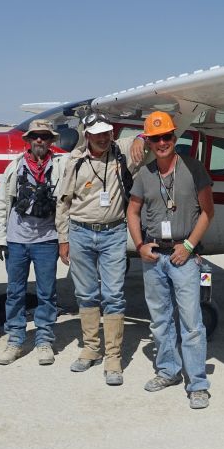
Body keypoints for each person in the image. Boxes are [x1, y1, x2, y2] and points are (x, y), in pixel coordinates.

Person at [127, 111, 215, 409]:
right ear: (149, 143)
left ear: (174, 138)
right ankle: (168, 371)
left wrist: (189, 246)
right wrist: (139, 245)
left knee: (191, 323)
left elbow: (208, 212)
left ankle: (198, 383)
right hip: (154, 257)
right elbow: (133, 211)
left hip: (183, 256)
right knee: (160, 321)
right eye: (156, 138)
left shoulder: (193, 169)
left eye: (167, 136)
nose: (162, 142)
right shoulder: (144, 175)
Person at [55, 111, 144, 386]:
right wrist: (63, 238)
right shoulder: (75, 161)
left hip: (113, 232)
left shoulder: (122, 151)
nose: (103, 138)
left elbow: (153, 135)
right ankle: (91, 348)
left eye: (107, 133)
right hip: (80, 232)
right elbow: (63, 201)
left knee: (114, 295)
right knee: (86, 293)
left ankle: (113, 358)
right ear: (87, 136)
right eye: (97, 134)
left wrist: (141, 136)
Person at [0, 119, 66, 366]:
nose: (40, 141)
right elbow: (2, 203)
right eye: (35, 136)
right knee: (15, 292)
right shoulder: (14, 167)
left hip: (47, 240)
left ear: (51, 141)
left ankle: (44, 339)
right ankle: (15, 339)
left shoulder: (61, 166)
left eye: (45, 136)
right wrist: (0, 237)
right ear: (29, 139)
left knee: (47, 293)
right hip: (17, 240)